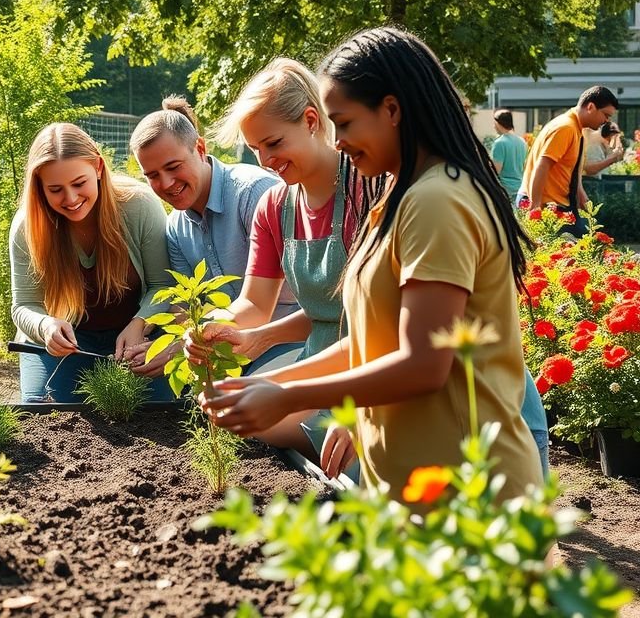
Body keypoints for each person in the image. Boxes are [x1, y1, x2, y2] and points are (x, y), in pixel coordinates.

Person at [193, 27, 543, 502]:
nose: (337, 142)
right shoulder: (398, 199)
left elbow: (422, 364)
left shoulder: (435, 201)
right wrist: (266, 381)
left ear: (392, 111)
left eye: (346, 123)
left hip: (464, 485)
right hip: (416, 481)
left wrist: (289, 397)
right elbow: (372, 341)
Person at [177, 58, 384, 464]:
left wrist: (362, 405)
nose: (265, 160)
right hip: (317, 362)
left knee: (364, 461)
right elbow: (255, 304)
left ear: (311, 121)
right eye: (255, 149)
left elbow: (383, 320)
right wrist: (222, 327)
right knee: (236, 414)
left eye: (274, 143)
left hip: (373, 362)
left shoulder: (365, 187)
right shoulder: (275, 206)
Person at [128, 97, 300, 376]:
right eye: (153, 175)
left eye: (173, 167)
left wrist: (181, 348)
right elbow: (185, 305)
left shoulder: (254, 195)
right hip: (225, 350)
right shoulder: (175, 227)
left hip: (288, 342)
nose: (166, 183)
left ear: (199, 147)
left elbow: (271, 305)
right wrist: (169, 346)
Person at [10, 123, 173, 403]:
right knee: (41, 411)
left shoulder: (139, 206)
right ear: (40, 187)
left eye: (78, 183)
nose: (71, 199)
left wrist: (140, 324)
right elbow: (24, 305)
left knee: (156, 412)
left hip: (135, 336)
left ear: (98, 167)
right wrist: (46, 326)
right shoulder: (28, 227)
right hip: (67, 345)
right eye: (55, 189)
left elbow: (163, 284)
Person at [517, 86, 619, 237]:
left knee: (586, 245)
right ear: (590, 107)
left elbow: (571, 173)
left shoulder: (576, 129)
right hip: (546, 208)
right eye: (605, 115)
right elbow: (542, 165)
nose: (606, 121)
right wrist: (535, 207)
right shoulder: (566, 128)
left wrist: (585, 202)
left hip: (557, 207)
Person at [489, 109, 527, 201]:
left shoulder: (499, 143)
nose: (493, 126)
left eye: (494, 123)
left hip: (505, 192)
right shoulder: (522, 142)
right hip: (519, 190)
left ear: (498, 123)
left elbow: (495, 171)